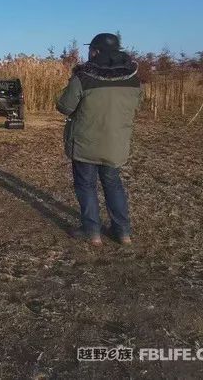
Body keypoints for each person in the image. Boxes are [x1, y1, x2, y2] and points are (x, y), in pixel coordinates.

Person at [56, 33, 141, 246]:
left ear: (95, 51)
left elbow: (65, 106)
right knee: (113, 184)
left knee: (86, 186)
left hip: (86, 143)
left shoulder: (84, 77)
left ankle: (91, 231)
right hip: (115, 144)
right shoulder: (133, 78)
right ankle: (123, 232)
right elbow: (136, 105)